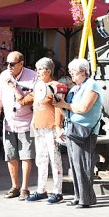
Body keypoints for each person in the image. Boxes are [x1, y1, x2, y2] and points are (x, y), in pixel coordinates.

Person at [53, 58, 102, 208]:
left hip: (85, 130)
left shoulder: (92, 85)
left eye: (73, 72)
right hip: (73, 128)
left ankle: (86, 199)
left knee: (83, 164)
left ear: (82, 71)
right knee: (74, 165)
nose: (71, 74)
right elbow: (66, 109)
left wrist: (65, 104)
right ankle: (78, 196)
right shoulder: (75, 89)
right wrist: (59, 102)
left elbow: (83, 108)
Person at [0, 51, 36, 201]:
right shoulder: (4, 75)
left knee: (26, 156)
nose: (9, 67)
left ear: (21, 64)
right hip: (9, 122)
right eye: (7, 63)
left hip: (26, 121)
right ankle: (15, 186)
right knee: (11, 155)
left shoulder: (32, 76)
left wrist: (14, 88)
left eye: (12, 64)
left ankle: (25, 188)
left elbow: (31, 99)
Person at [26, 57, 65, 204]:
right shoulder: (38, 86)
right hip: (38, 126)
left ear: (48, 70)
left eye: (40, 69)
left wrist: (57, 126)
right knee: (41, 159)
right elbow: (27, 99)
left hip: (51, 127)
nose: (37, 72)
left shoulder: (57, 86)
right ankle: (41, 189)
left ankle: (57, 190)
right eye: (37, 69)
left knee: (55, 159)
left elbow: (58, 107)